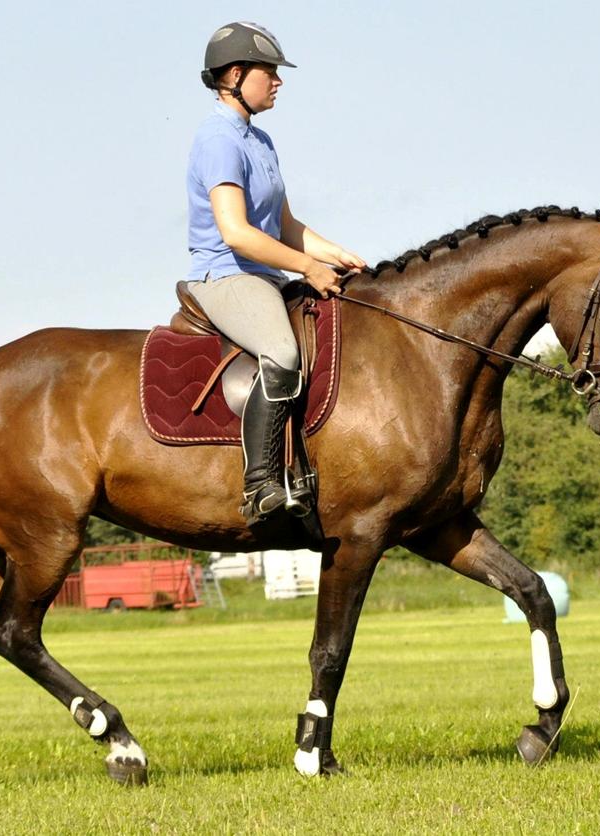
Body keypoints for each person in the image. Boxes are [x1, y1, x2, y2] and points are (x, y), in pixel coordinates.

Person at [186, 21, 367, 524]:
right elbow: (237, 233)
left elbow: (285, 225)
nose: (278, 82)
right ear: (236, 75)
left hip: (265, 273)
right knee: (284, 353)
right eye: (271, 72)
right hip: (225, 275)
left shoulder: (260, 141)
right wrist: (308, 267)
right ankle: (260, 483)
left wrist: (336, 254)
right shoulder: (217, 140)